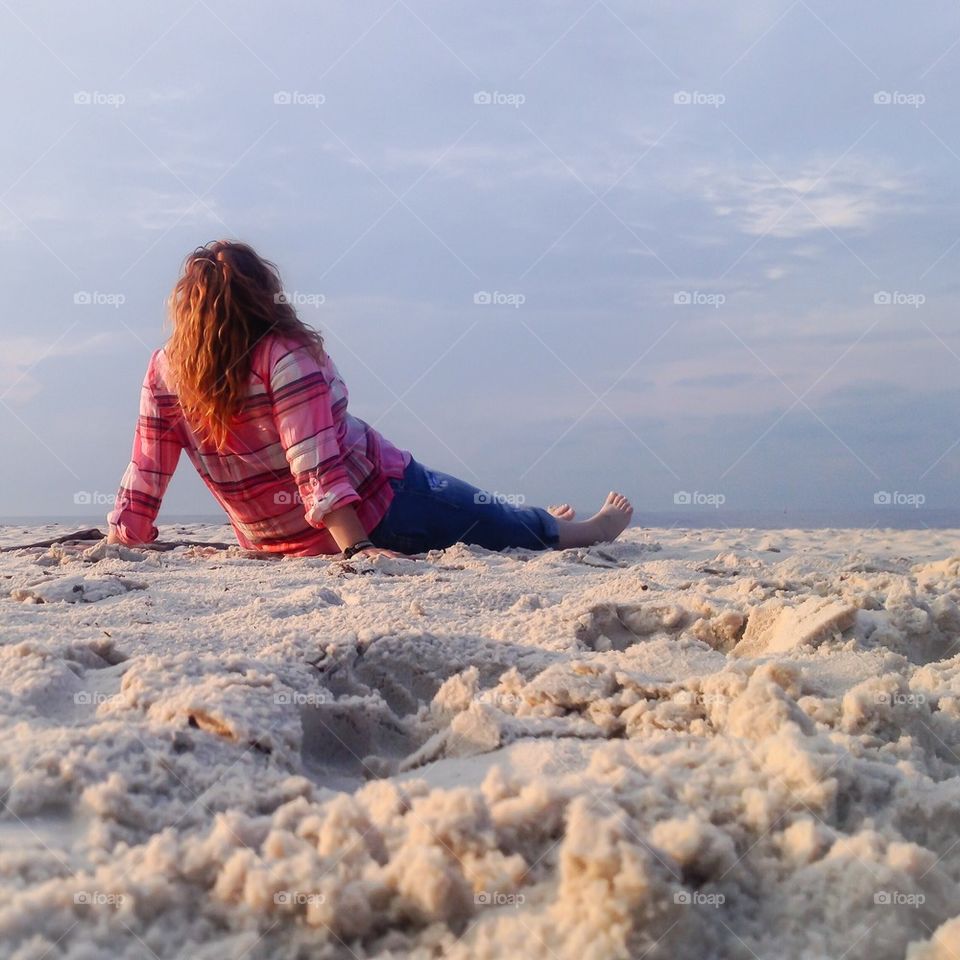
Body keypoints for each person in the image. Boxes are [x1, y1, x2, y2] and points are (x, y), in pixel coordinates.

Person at [107, 241, 634, 559]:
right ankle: (588, 530)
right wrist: (356, 549)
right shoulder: (282, 355)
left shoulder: (166, 369)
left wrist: (124, 538)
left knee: (494, 516)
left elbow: (146, 471)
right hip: (384, 501)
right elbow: (314, 462)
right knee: (488, 519)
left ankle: (541, 518)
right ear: (263, 294)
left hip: (277, 542)